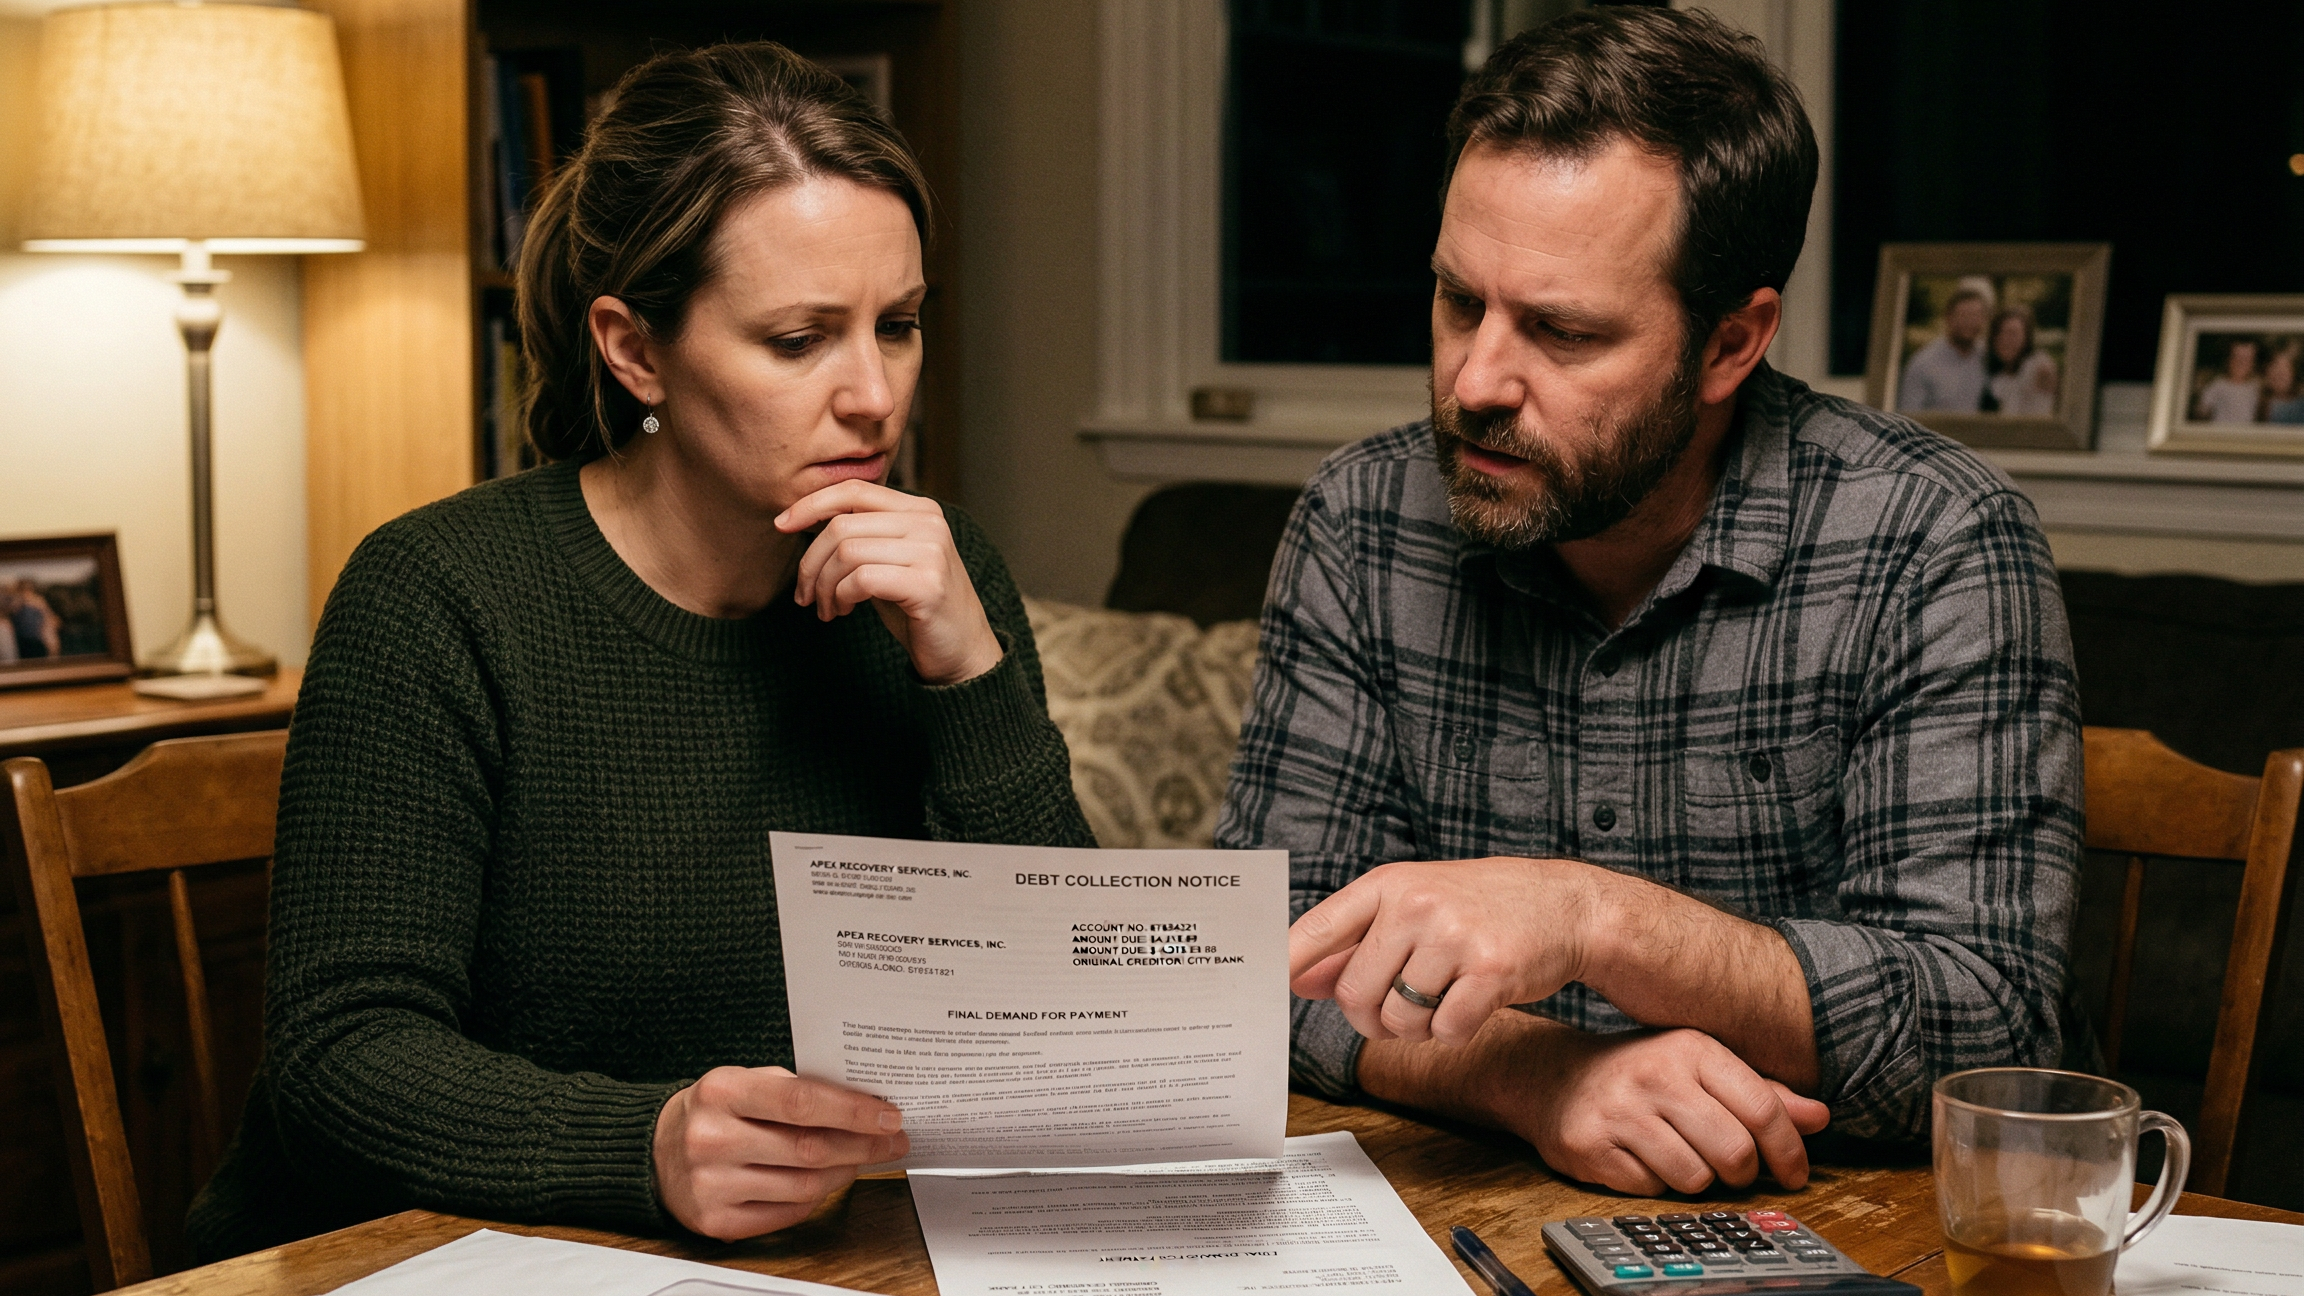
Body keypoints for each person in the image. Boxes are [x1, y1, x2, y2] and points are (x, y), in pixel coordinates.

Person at [188, 42, 1094, 1260]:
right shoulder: (439, 596)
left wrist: (971, 676)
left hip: (811, 1258)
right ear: (634, 350)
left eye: (899, 325)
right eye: (799, 340)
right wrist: (645, 1146)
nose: (875, 395)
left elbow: (1074, 1026)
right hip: (418, 1258)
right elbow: (339, 1057)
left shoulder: (943, 575)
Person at [1219, 7, 2082, 1198]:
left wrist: (1591, 917)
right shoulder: (1364, 521)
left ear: (1730, 345)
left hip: (1846, 1223)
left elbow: (1987, 1028)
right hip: (1471, 1203)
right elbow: (1258, 968)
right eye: (1460, 302)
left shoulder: (1932, 539)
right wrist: (1537, 1075)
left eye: (1562, 331)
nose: (1476, 381)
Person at [1896, 288, 1990, 412]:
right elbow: (1908, 414)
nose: (1970, 321)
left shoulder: (1989, 357)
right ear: (1948, 318)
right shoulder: (1922, 363)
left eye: (1975, 316)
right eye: (1964, 315)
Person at [1981, 304, 2058, 417]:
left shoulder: (2038, 366)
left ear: (2026, 338)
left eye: (2013, 334)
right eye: (2000, 332)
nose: (2004, 339)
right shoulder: (1997, 373)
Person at [2193, 338, 2263, 423]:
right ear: (2228, 360)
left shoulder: (2257, 385)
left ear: (2254, 363)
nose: (2241, 363)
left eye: (2247, 359)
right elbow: (2202, 409)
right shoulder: (2218, 384)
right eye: (2236, 357)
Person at [2260, 341, 2304, 424]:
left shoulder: (2301, 405)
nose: (2279, 374)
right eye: (2275, 367)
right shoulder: (2257, 402)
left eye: (2285, 369)